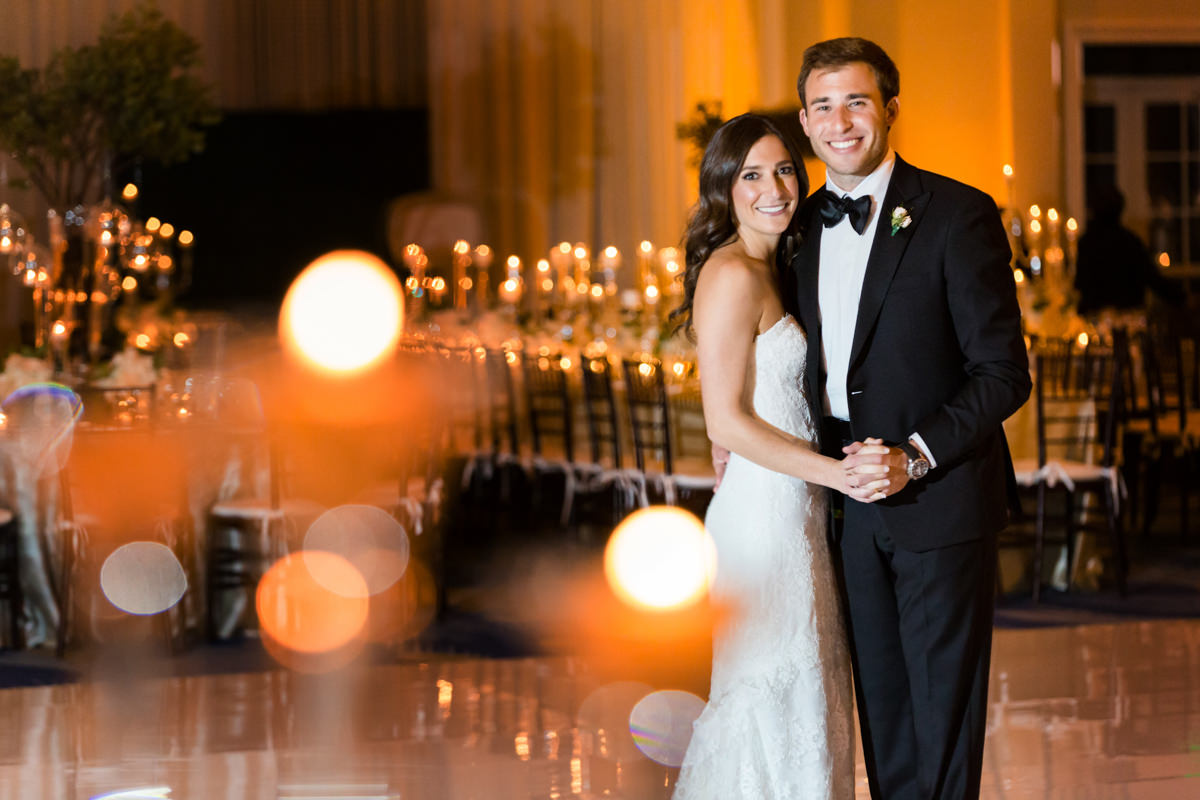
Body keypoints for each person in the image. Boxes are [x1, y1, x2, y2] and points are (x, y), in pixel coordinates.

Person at [775, 37, 1031, 800]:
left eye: (857, 101)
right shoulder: (797, 225)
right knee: (881, 708)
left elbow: (1003, 373)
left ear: (890, 108)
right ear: (805, 121)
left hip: (940, 498)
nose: (841, 121)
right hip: (843, 506)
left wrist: (915, 456)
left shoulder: (957, 213)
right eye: (824, 106)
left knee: (941, 715)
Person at [670, 113, 891, 799]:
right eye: (752, 175)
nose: (775, 188)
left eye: (785, 169)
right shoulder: (732, 274)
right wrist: (840, 473)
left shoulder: (773, 269)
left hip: (794, 510)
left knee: (807, 687)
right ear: (723, 191)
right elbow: (726, 420)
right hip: (765, 519)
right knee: (770, 690)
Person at [1074, 183, 1182, 314]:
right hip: (1126, 316)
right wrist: (1182, 297)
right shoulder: (1130, 242)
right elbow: (1153, 278)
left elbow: (1078, 283)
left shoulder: (1086, 243)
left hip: (1101, 317)